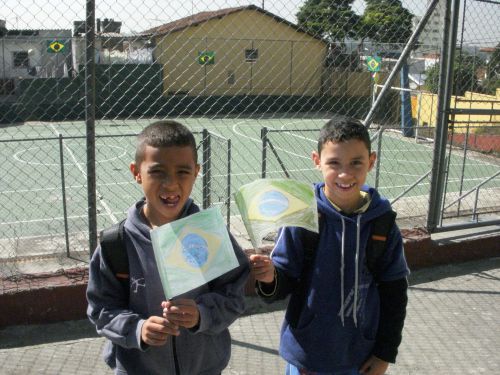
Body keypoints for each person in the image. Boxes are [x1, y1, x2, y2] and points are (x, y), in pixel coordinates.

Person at [87, 120, 250, 375]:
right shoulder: (115, 244)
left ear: (197, 171)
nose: (171, 184)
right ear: (136, 172)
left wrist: (201, 314)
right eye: (158, 172)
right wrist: (138, 330)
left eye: (183, 172)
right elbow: (101, 309)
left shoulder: (211, 234)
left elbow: (235, 296)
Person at [250, 116, 409, 375]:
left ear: (371, 161)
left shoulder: (382, 221)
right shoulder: (303, 213)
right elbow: (283, 280)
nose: (345, 174)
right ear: (317, 161)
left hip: (360, 358)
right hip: (306, 356)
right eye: (334, 163)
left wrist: (384, 353)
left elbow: (394, 292)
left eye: (356, 163)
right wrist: (269, 278)